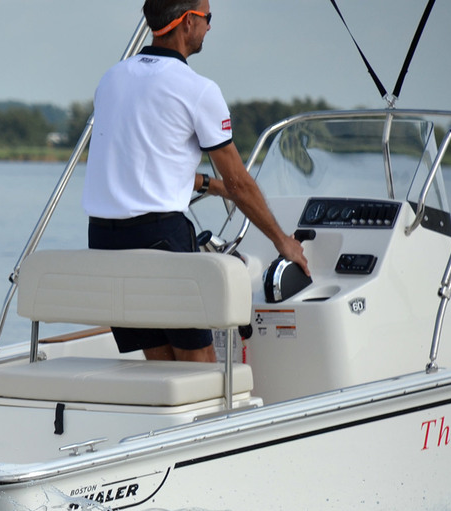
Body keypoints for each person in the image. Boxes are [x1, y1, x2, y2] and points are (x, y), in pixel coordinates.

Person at [82, 0, 308, 363]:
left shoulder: (112, 78)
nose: (209, 27)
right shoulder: (197, 89)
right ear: (187, 22)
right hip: (159, 241)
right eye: (207, 18)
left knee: (159, 359)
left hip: (105, 241)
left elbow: (142, 166)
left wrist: (207, 185)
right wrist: (283, 242)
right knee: (198, 358)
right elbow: (239, 183)